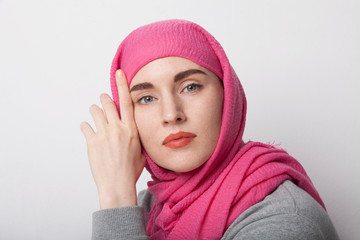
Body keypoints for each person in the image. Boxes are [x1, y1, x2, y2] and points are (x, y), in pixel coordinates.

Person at [80, 19, 339, 240]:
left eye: (190, 87)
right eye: (146, 98)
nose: (171, 115)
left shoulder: (284, 218)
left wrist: (115, 202)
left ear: (228, 96)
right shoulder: (147, 206)